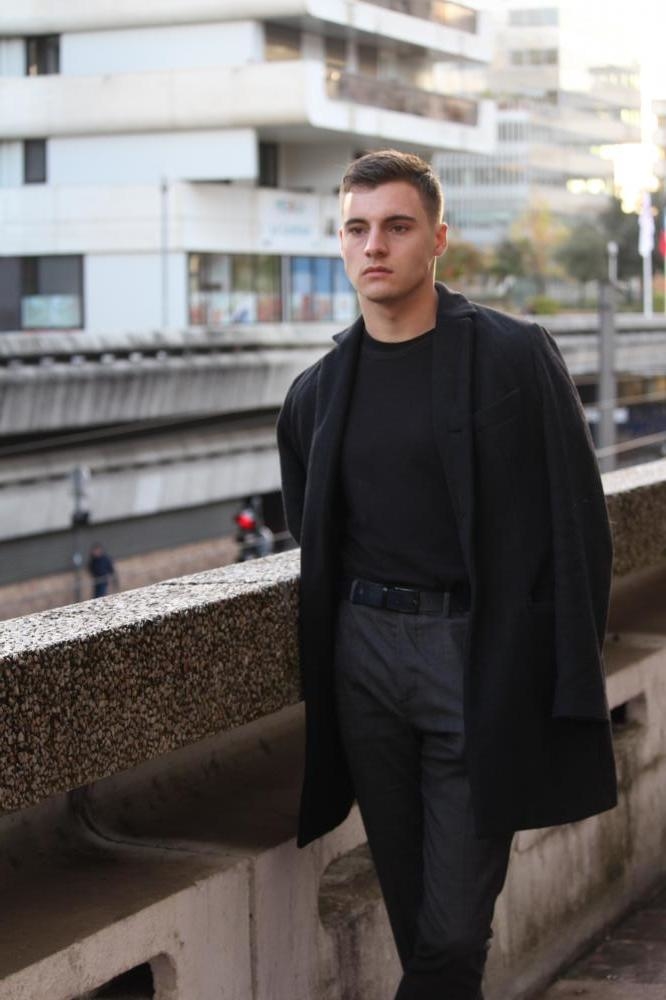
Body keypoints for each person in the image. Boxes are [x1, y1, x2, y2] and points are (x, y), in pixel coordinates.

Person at [277, 150, 616, 1000]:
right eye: (356, 228)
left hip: (476, 655)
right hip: (364, 662)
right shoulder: (315, 394)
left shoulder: (512, 357)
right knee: (417, 920)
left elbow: (579, 521)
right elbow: (310, 536)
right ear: (340, 242)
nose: (374, 245)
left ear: (437, 240)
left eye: (397, 226)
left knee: (455, 930)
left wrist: (564, 669)